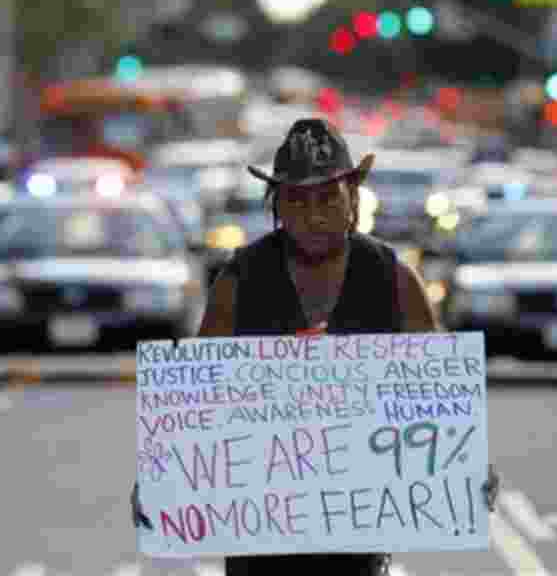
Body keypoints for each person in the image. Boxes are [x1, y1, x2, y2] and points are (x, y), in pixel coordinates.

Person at [130, 118, 499, 574]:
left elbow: (440, 404)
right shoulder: (239, 281)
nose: (314, 214)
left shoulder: (395, 279)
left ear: (353, 199)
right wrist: (161, 482)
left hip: (356, 548)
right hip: (258, 548)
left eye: (327, 197)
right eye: (297, 200)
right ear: (277, 204)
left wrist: (469, 471)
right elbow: (197, 409)